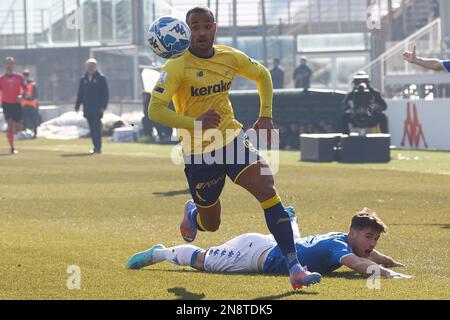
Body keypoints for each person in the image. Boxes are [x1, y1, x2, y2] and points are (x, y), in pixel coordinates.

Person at [147, 6, 320, 289]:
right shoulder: (176, 66)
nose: (201, 32)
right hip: (198, 151)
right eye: (195, 26)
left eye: (207, 25)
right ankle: (193, 215)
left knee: (266, 188)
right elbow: (155, 110)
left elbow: (262, 74)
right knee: (211, 222)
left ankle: (295, 267)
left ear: (215, 27)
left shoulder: (229, 57)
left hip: (232, 139)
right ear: (185, 30)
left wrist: (265, 115)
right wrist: (195, 123)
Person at [127, 207, 413, 281]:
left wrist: (392, 263)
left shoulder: (343, 239)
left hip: (271, 245)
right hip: (252, 254)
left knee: (296, 239)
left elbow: (370, 255)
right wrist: (388, 275)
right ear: (352, 232)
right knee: (203, 262)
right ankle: (161, 253)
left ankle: (288, 218)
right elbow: (358, 263)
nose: (372, 243)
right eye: (368, 236)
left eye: (374, 238)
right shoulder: (340, 249)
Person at [75, 58, 109, 154]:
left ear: (95, 67)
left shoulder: (101, 78)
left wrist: (104, 105)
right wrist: (77, 105)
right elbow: (80, 93)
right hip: (87, 108)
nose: (90, 68)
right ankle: (95, 146)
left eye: (92, 66)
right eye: (89, 66)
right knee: (91, 128)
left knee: (96, 127)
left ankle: (98, 148)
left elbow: (105, 93)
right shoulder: (83, 79)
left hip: (97, 108)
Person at [0, 57, 27, 154]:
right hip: (6, 104)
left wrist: (21, 95)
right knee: (10, 125)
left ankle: (12, 135)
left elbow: (26, 89)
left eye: (11, 63)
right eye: (7, 63)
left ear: (14, 65)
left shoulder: (19, 77)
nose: (9, 65)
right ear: (4, 65)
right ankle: (12, 147)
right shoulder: (1, 79)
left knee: (18, 127)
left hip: (17, 104)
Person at [21, 69, 40, 138]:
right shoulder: (22, 84)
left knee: (33, 119)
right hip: (24, 104)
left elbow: (35, 95)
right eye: (24, 75)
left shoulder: (32, 84)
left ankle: (35, 133)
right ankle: (24, 132)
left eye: (27, 74)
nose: (25, 76)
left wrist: (30, 98)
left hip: (32, 104)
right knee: (24, 119)